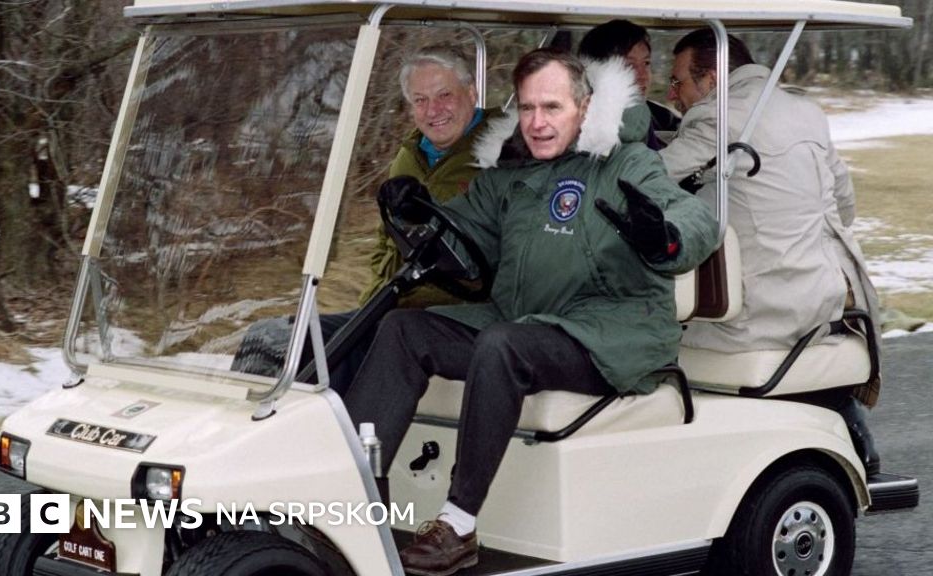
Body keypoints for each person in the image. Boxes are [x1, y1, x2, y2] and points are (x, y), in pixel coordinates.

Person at [344, 49, 718, 575]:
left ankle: (458, 524)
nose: (538, 122)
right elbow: (463, 230)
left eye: (552, 107)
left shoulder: (625, 162)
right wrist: (416, 215)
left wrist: (666, 239)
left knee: (503, 344)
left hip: (612, 331)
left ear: (584, 107)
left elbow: (696, 217)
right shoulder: (510, 175)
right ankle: (360, 496)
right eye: (527, 108)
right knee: (403, 329)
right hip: (530, 320)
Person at [658, 29, 882, 474]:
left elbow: (647, 181)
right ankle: (841, 416)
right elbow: (846, 206)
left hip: (760, 314)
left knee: (642, 335)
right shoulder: (806, 110)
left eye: (678, 81)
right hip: (826, 301)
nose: (672, 94)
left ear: (712, 79)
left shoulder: (717, 115)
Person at [231, 46, 498, 393]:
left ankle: (340, 427)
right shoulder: (411, 155)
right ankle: (248, 423)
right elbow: (385, 243)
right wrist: (372, 300)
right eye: (420, 100)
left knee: (357, 348)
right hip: (392, 303)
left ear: (472, 93)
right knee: (272, 338)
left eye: (444, 95)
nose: (433, 110)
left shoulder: (502, 153)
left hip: (458, 314)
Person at [577, 19, 681, 149]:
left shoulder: (663, 118)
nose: (642, 75)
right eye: (628, 66)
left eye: (646, 63)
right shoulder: (579, 122)